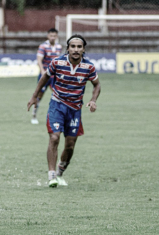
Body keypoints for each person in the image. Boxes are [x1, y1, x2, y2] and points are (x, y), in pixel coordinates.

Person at [27, 34, 101, 188]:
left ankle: (60, 172)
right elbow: (44, 78)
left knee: (70, 145)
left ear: (83, 49)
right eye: (72, 46)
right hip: (57, 105)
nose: (75, 49)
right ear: (67, 48)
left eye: (79, 47)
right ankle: (52, 175)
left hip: (75, 109)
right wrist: (34, 96)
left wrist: (93, 100)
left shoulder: (89, 67)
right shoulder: (57, 62)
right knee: (54, 138)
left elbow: (97, 85)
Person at [31, 28, 62, 125]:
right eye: (51, 36)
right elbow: (39, 60)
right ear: (48, 36)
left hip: (54, 76)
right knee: (39, 95)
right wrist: (42, 71)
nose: (52, 37)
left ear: (56, 36)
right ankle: (34, 115)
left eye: (54, 36)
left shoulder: (59, 47)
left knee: (59, 96)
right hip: (45, 75)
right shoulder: (43, 46)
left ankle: (59, 117)